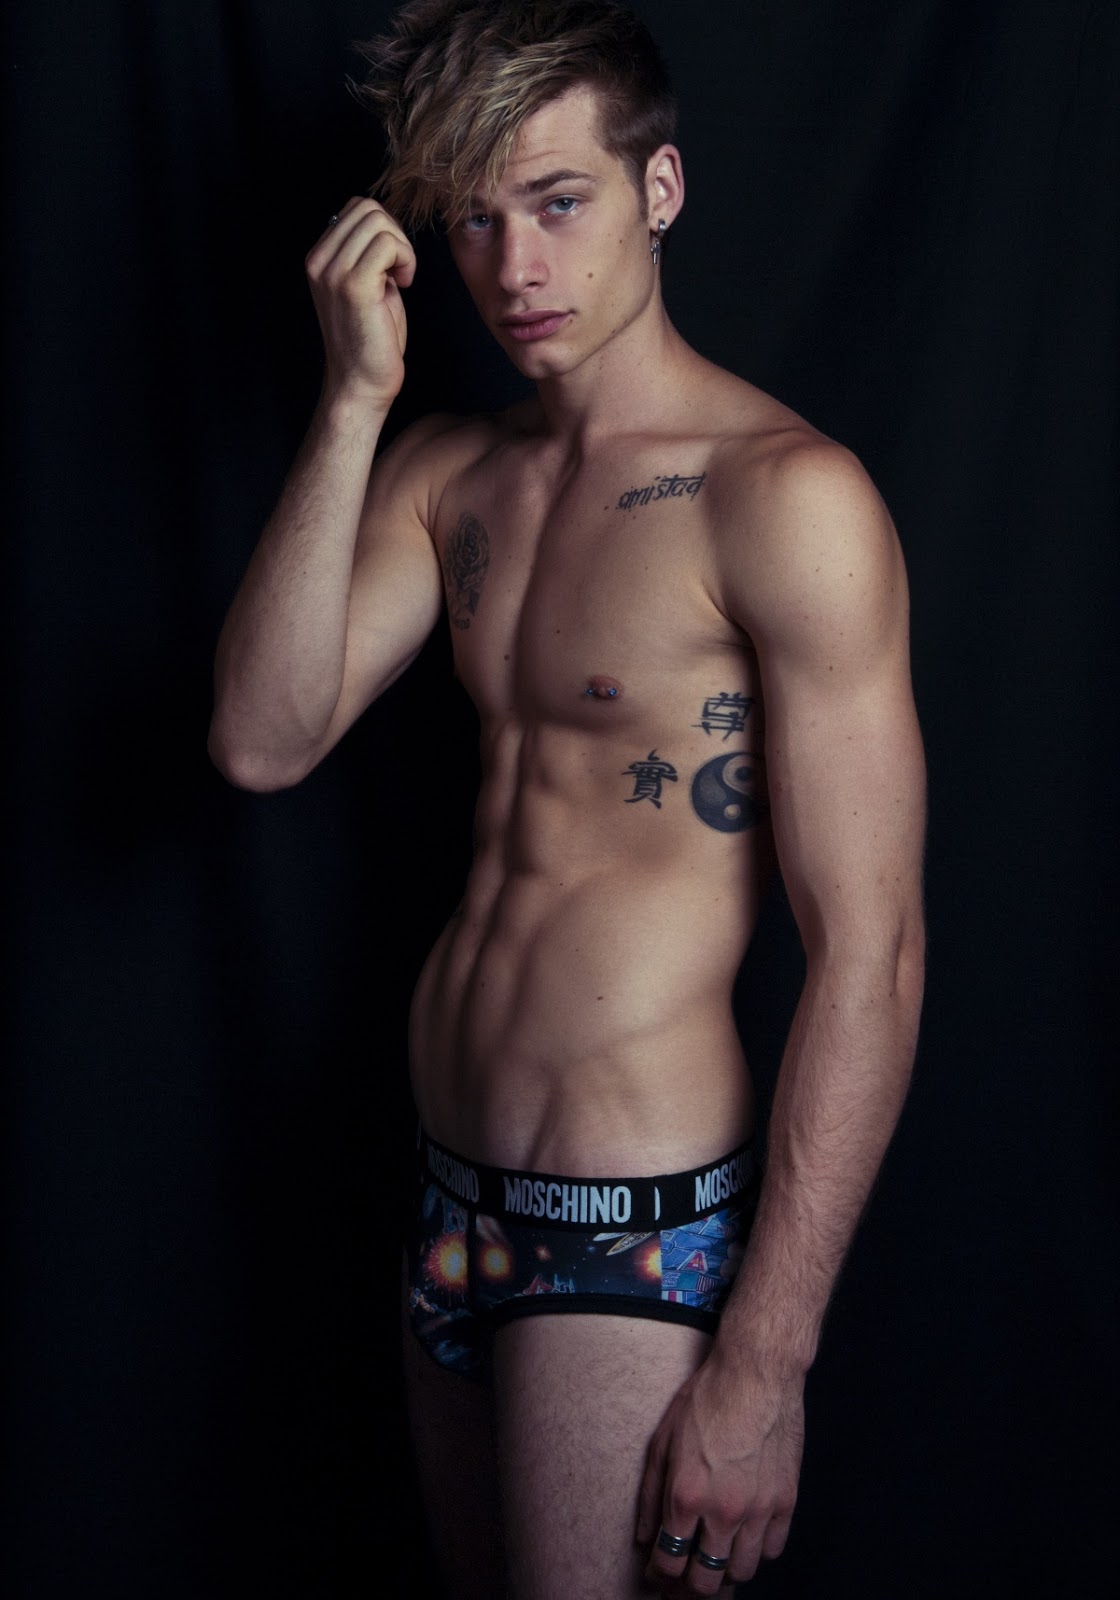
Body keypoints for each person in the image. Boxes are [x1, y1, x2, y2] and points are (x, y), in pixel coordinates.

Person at [208, 1, 927, 1594]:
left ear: (657, 189)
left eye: (557, 201)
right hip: (450, 1186)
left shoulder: (782, 498)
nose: (515, 265)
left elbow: (871, 956)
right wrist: (351, 405)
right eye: (474, 219)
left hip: (628, 1210)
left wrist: (766, 1362)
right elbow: (261, 736)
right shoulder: (451, 476)